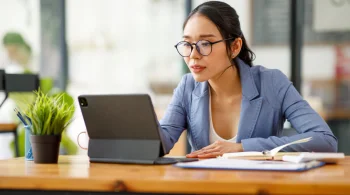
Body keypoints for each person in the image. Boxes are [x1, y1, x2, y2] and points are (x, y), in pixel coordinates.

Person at [159, 1, 337, 158]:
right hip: (205, 186)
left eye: (205, 43)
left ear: (235, 46)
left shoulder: (272, 82)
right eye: (187, 44)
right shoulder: (187, 87)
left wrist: (242, 148)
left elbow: (324, 140)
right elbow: (161, 143)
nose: (193, 55)